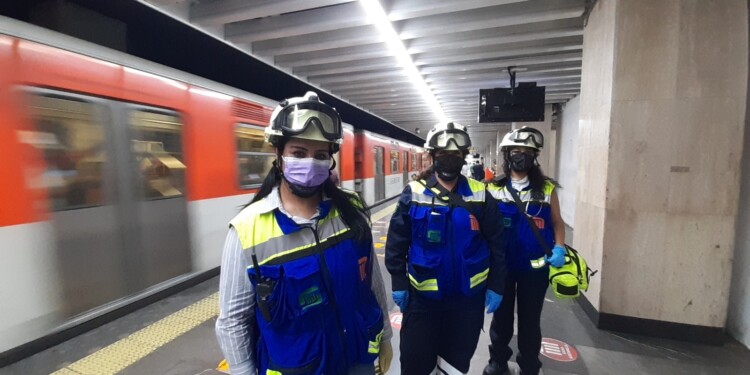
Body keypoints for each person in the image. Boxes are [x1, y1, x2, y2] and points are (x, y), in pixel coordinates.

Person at [215, 92, 393, 375]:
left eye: (320, 155)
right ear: (278, 155)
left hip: (358, 361)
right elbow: (233, 321)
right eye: (298, 153)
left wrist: (385, 334)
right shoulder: (247, 230)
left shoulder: (351, 210)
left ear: (330, 160)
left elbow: (371, 282)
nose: (310, 163)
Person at [385, 122, 507, 375]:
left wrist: (496, 284)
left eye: (455, 155)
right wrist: (398, 281)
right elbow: (397, 241)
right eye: (442, 155)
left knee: (454, 367)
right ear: (432, 156)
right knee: (415, 363)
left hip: (467, 302)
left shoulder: (480, 194)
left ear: (463, 157)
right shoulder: (414, 192)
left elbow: (497, 243)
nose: (449, 160)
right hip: (422, 301)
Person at [483, 127, 566, 375]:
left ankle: (529, 365)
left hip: (535, 267)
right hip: (502, 268)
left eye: (528, 152)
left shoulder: (547, 188)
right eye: (517, 151)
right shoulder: (493, 188)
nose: (522, 156)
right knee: (502, 319)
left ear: (535, 156)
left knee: (530, 321)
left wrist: (559, 247)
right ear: (507, 155)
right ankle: (498, 361)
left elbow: (557, 223)